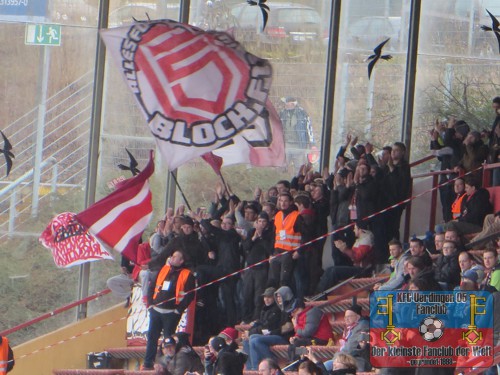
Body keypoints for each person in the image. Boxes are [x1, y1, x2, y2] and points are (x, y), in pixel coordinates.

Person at [141, 250, 196, 371]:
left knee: (168, 340)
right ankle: (148, 363)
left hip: (171, 313)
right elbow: (152, 286)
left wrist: (178, 310)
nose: (171, 257)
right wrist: (150, 304)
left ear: (181, 261)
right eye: (172, 256)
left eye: (175, 256)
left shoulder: (187, 275)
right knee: (152, 337)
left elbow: (190, 295)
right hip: (156, 310)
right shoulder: (163, 269)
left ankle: (168, 366)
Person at [247, 286, 294, 370]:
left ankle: (273, 364)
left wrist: (272, 332)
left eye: (280, 296)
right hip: (276, 335)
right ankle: (254, 368)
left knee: (256, 340)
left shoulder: (289, 307)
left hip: (285, 338)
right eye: (277, 297)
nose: (278, 299)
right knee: (251, 338)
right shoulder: (280, 308)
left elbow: (289, 327)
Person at [241, 211, 274, 323]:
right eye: (259, 221)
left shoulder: (270, 234)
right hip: (250, 267)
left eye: (263, 221)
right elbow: (245, 247)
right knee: (246, 294)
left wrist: (261, 237)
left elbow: (270, 249)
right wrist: (253, 238)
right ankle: (246, 318)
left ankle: (256, 318)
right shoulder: (251, 232)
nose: (261, 224)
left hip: (262, 268)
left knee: (258, 296)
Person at [268, 192, 305, 288]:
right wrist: (271, 253)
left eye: (285, 201)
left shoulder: (297, 216)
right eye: (280, 201)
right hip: (277, 252)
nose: (283, 203)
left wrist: (299, 251)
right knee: (273, 280)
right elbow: (273, 235)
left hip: (289, 253)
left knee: (284, 281)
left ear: (291, 202)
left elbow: (305, 236)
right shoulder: (278, 215)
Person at [242, 287, 282, 370]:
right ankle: (250, 368)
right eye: (265, 297)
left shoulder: (276, 309)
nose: (266, 299)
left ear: (274, 298)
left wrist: (250, 333)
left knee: (254, 339)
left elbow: (267, 326)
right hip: (267, 334)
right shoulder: (265, 308)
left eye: (269, 297)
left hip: (277, 334)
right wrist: (250, 329)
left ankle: (259, 368)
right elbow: (261, 322)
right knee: (246, 340)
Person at [279, 97, 314, 169]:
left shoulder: (302, 114)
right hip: (286, 145)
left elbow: (309, 128)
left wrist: (311, 143)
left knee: (299, 168)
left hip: (299, 146)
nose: (286, 105)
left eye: (287, 103)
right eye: (285, 104)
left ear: (293, 104)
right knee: (282, 167)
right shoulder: (282, 113)